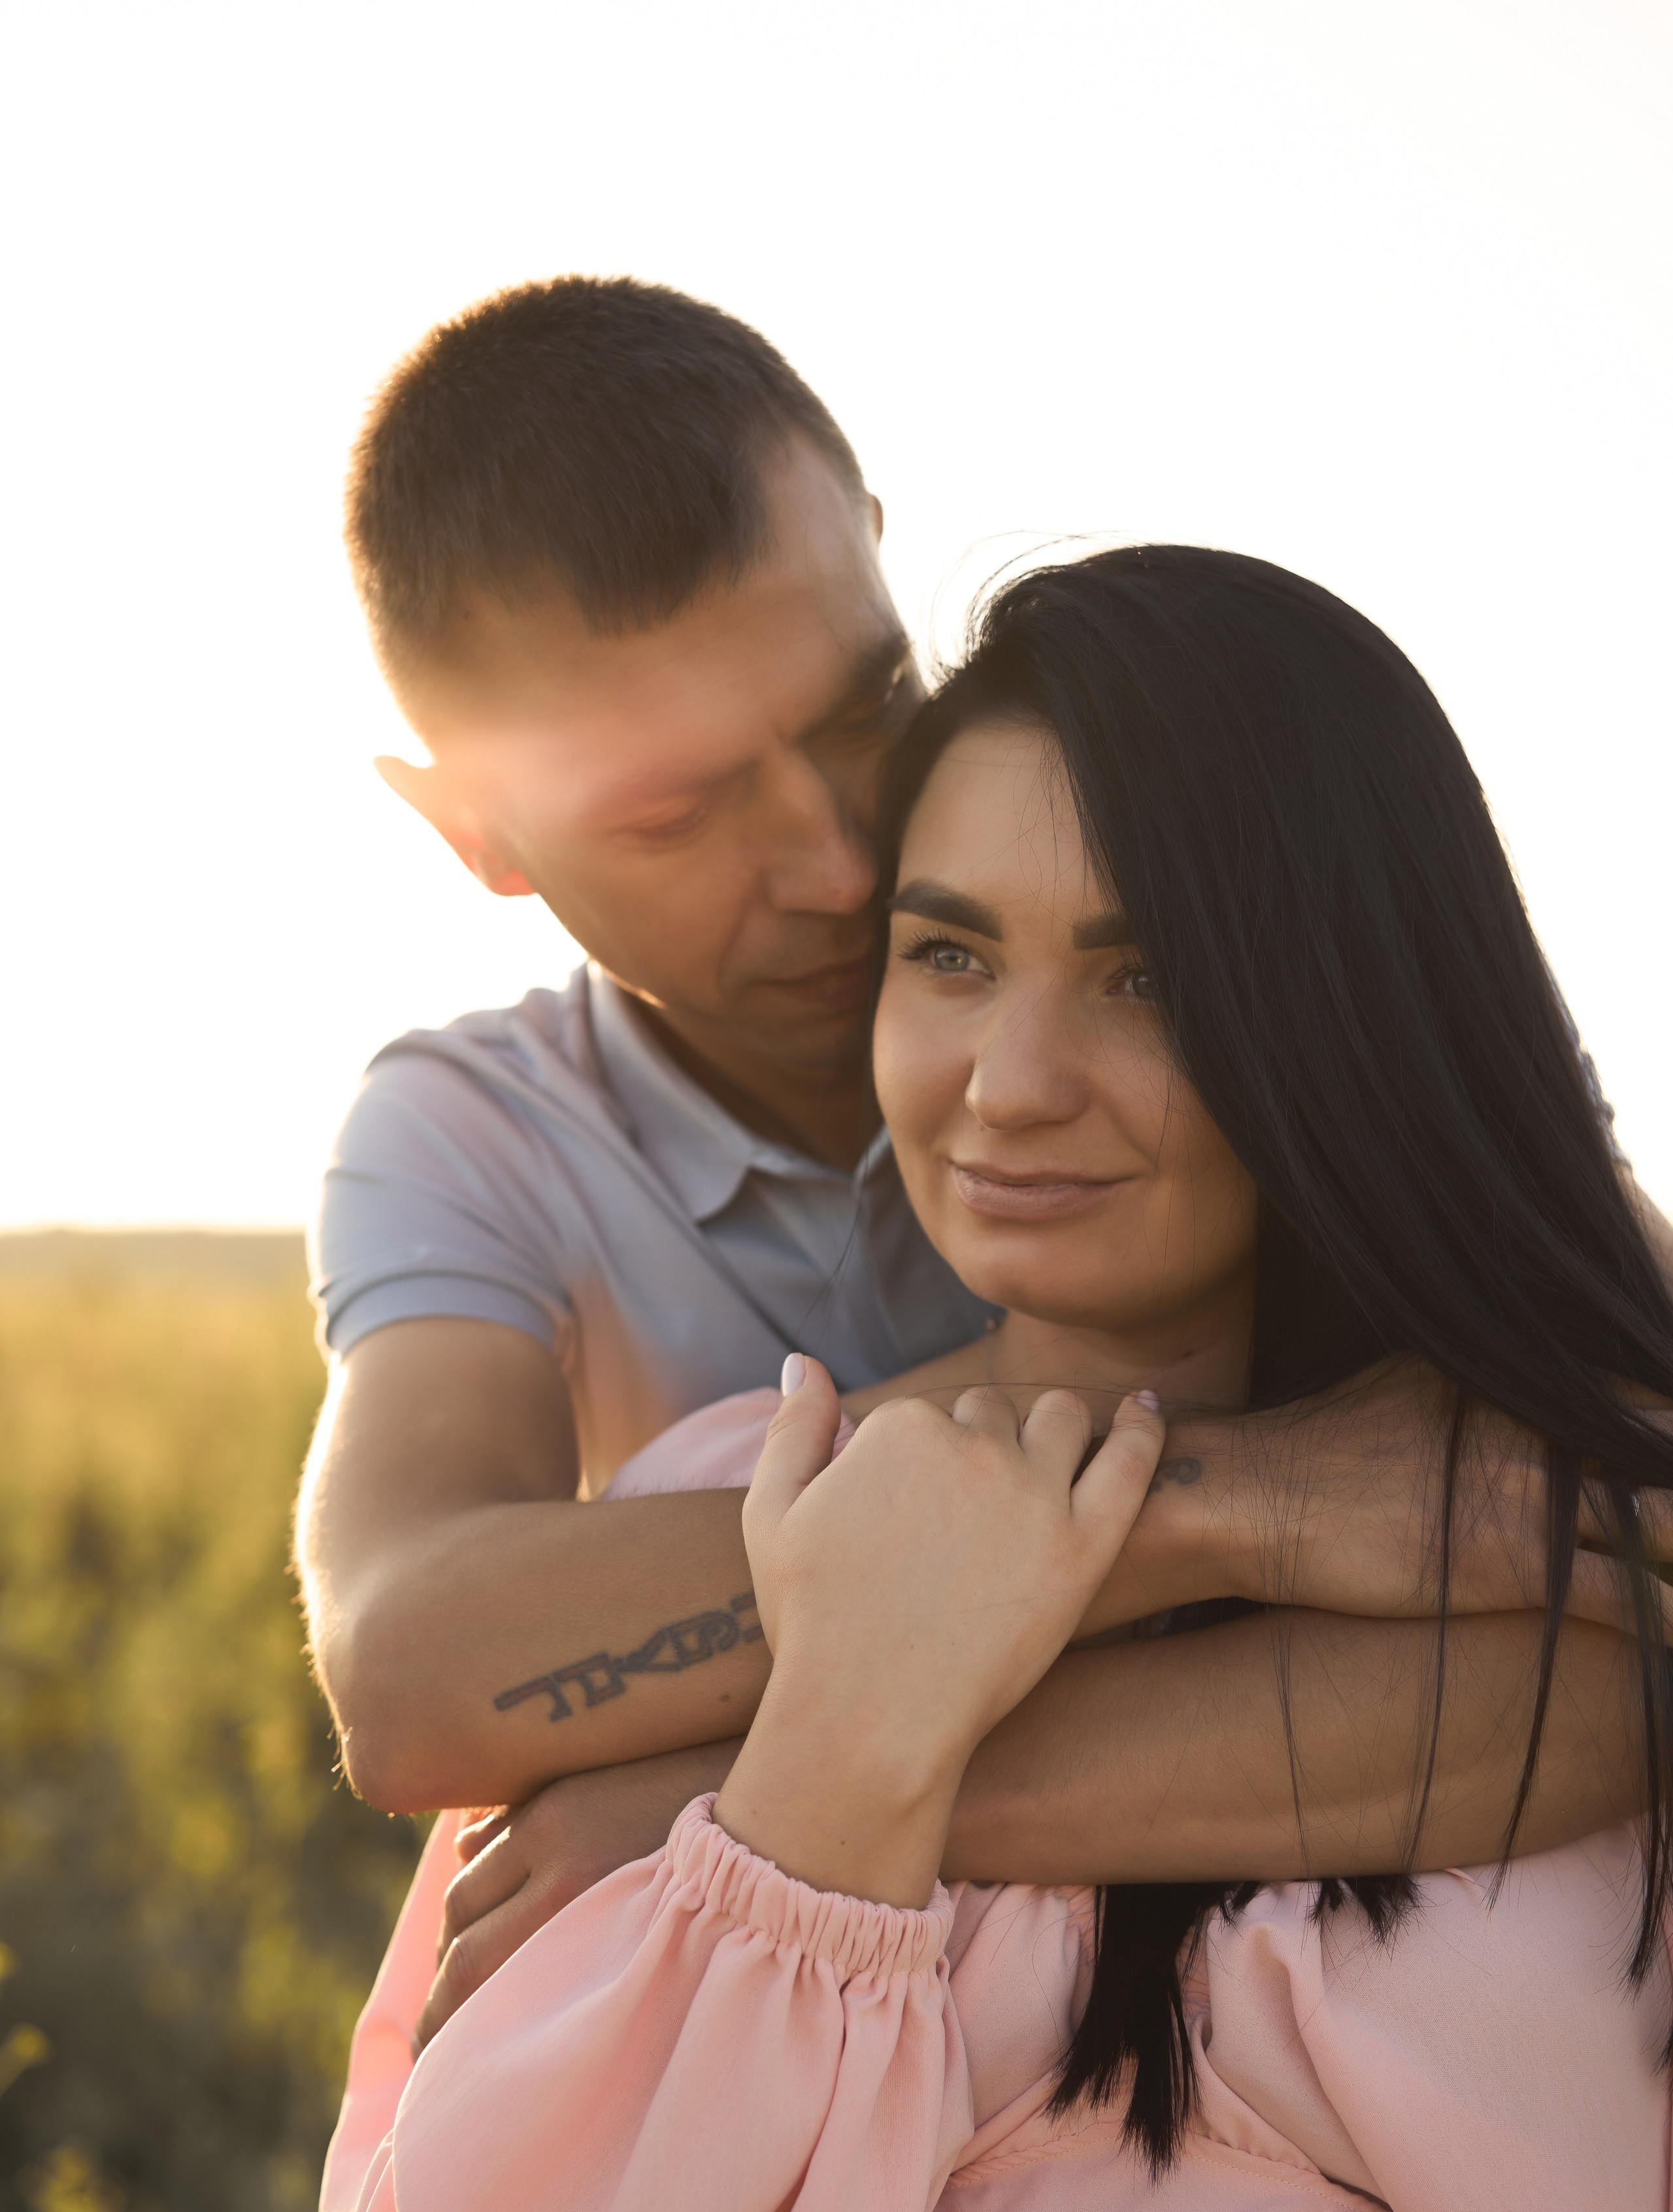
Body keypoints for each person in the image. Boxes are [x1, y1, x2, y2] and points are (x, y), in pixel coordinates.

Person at [283, 548, 1673, 2212]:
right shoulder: (703, 1518)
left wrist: (724, 1797)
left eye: (1148, 977)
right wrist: (804, 1797)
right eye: (947, 957)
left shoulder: (1548, 1514)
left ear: (1349, 1006)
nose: (1010, 1088)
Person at [299, 279, 1658, 2044]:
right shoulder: (478, 1136)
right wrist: (1260, 1499)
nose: (838, 859)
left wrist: (760, 1789)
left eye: (863, 702)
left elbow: (1622, 1587)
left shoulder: (1267, 957)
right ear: (478, 830)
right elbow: (413, 1676)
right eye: (675, 809)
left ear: (875, 549)